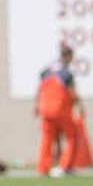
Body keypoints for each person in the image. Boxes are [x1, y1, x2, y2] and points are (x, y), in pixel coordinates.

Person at [34, 44, 81, 177]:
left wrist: (36, 106)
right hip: (62, 110)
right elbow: (72, 93)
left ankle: (42, 168)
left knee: (46, 140)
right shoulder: (66, 73)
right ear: (69, 56)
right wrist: (80, 106)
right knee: (72, 137)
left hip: (46, 110)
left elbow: (39, 90)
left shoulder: (47, 70)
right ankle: (65, 166)